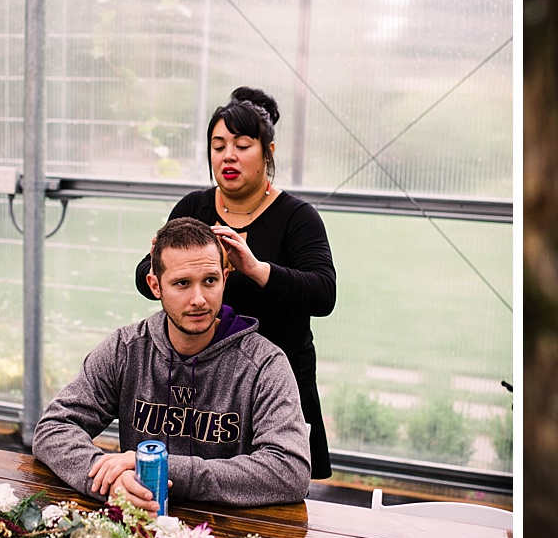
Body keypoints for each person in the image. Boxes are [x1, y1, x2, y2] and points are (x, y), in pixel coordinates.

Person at [33, 217, 311, 511]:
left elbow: (290, 470)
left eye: (210, 281)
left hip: (230, 535)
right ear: (155, 285)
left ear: (225, 280)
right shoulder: (125, 349)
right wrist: (109, 480)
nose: (199, 299)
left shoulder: (264, 364)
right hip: (138, 525)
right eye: (181, 284)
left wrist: (165, 468)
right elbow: (53, 427)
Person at [133, 87, 337, 479]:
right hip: (202, 384)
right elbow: (148, 277)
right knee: (197, 485)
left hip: (274, 383)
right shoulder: (194, 206)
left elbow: (323, 293)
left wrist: (255, 268)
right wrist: (160, 265)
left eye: (242, 145)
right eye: (218, 145)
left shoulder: (297, 217)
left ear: (268, 152)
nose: (228, 156)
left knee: (271, 486)